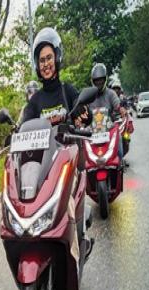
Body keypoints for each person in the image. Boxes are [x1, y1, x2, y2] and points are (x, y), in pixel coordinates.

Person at [22, 27, 92, 267]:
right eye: (41, 60)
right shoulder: (35, 102)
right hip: (43, 165)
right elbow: (23, 127)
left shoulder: (69, 91)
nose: (45, 64)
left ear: (57, 58)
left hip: (68, 161)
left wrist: (83, 117)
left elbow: (85, 113)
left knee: (66, 203)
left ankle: (72, 258)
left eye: (49, 58)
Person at [90, 66, 127, 160]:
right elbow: (82, 108)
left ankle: (120, 165)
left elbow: (117, 105)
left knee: (118, 145)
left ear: (105, 79)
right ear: (92, 81)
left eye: (101, 80)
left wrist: (121, 110)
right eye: (96, 80)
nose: (99, 82)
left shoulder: (111, 93)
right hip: (91, 131)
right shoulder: (88, 95)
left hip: (109, 128)